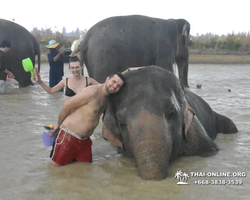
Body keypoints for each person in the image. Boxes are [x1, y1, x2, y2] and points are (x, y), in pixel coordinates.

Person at [48, 67, 143, 166]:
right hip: (68, 137)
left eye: (118, 86)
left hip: (84, 142)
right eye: (113, 82)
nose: (114, 86)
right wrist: (57, 126)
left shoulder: (107, 97)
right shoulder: (92, 92)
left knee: (85, 171)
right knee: (55, 169)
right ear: (107, 79)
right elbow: (66, 107)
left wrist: (130, 70)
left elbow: (118, 77)